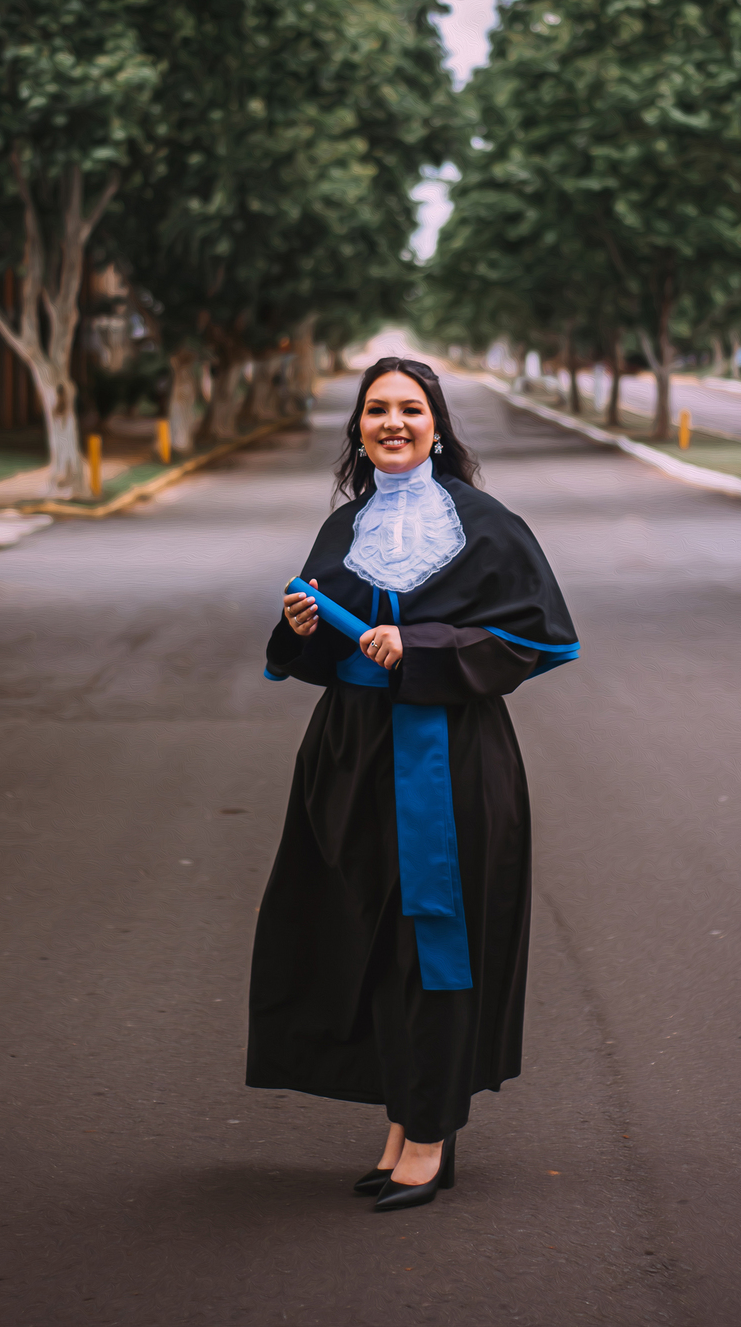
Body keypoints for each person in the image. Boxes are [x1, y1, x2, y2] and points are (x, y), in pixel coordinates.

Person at [246, 357, 579, 1212]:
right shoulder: (343, 529)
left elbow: (537, 642)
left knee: (434, 939)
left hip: (451, 758)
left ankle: (430, 1135)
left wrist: (424, 647)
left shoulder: (488, 525)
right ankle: (402, 1124)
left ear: (438, 423)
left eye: (410, 408)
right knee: (365, 933)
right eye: (376, 410)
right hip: (351, 758)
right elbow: (315, 658)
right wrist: (303, 629)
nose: (393, 422)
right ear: (357, 428)